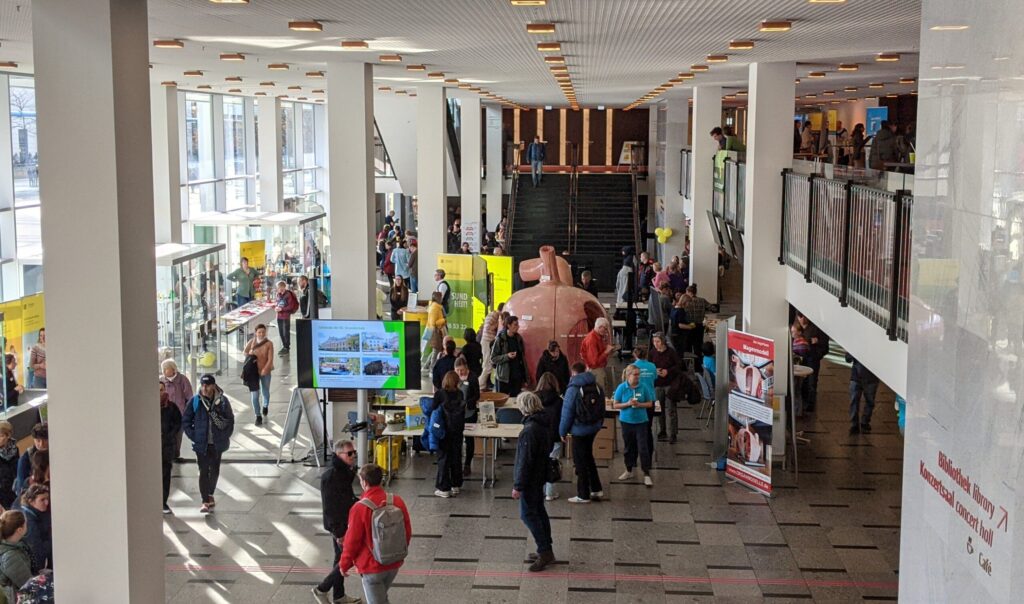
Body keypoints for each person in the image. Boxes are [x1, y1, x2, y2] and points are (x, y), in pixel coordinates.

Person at [340, 464, 412, 604]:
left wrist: (344, 564)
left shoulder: (359, 508)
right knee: (382, 598)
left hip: (371, 567)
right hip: (394, 564)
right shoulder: (397, 501)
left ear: (364, 482)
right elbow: (407, 531)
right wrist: (397, 552)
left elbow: (352, 541)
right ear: (380, 480)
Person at [512, 391, 555, 572]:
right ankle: (546, 548)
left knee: (528, 514)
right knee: (539, 511)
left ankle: (544, 550)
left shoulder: (529, 430)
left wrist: (518, 486)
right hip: (540, 475)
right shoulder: (543, 424)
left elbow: (525, 461)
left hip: (530, 479)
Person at [312, 441, 361, 604]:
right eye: (349, 453)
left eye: (354, 452)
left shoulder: (345, 472)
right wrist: (339, 533)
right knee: (347, 559)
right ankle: (322, 589)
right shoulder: (332, 477)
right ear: (339, 455)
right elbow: (330, 508)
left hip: (345, 522)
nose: (353, 456)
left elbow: (346, 498)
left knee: (340, 559)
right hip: (339, 526)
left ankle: (338, 596)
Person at [183, 374, 235, 514]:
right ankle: (205, 500)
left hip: (217, 443)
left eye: (207, 385)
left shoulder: (222, 401)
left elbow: (230, 420)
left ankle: (210, 493)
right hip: (202, 443)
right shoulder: (196, 401)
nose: (204, 388)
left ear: (213, 386)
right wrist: (194, 436)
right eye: (203, 385)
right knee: (203, 471)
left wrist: (225, 435)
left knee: (215, 470)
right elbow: (186, 420)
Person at [559, 362, 604, 503]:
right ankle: (596, 489)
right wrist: (598, 424)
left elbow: (567, 413)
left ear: (573, 373)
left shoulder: (573, 389)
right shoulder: (597, 386)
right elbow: (602, 408)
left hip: (579, 429)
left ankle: (583, 494)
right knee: (588, 457)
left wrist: (562, 431)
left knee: (580, 461)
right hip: (593, 427)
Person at [613, 365, 655, 486]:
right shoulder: (622, 387)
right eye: (635, 374)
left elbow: (649, 403)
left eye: (638, 374)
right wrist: (627, 404)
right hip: (626, 422)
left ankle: (646, 473)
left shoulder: (644, 387)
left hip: (641, 422)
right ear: (628, 375)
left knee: (643, 447)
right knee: (628, 447)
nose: (637, 377)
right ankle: (629, 470)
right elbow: (615, 405)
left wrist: (639, 405)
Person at [430, 371, 466, 497]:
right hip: (457, 431)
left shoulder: (439, 394)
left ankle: (444, 488)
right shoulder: (460, 394)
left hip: (443, 431)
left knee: (444, 459)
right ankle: (456, 485)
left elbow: (433, 409)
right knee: (456, 457)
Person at [534, 373, 564, 502]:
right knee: (552, 463)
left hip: (538, 435)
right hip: (554, 435)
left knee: (539, 463)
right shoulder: (559, 401)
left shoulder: (534, 398)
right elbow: (563, 419)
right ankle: (550, 493)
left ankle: (538, 490)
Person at [650, 333, 682, 443]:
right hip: (658, 384)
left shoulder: (671, 352)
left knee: (671, 409)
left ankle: (673, 433)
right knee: (660, 409)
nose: (656, 344)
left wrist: (668, 371)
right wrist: (655, 370)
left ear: (663, 341)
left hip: (670, 384)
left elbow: (679, 365)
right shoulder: (653, 352)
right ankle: (662, 431)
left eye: (658, 341)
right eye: (654, 342)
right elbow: (649, 365)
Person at [160, 358, 194, 462]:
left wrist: (188, 412)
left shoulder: (182, 379)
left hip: (180, 412)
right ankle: (165, 454)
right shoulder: (161, 380)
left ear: (173, 369)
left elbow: (189, 396)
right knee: (166, 434)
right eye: (163, 369)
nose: (164, 371)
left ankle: (175, 455)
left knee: (178, 434)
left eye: (166, 369)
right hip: (165, 413)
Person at [795, 313, 827, 412]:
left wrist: (816, 354)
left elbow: (825, 346)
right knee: (802, 383)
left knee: (811, 383)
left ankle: (810, 406)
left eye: (804, 317)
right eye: (800, 317)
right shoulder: (796, 327)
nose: (802, 319)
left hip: (812, 359)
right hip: (801, 359)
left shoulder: (816, 329)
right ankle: (803, 404)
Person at [243, 324, 274, 423]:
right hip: (253, 372)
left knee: (265, 391)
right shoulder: (251, 342)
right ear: (256, 333)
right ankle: (258, 415)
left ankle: (265, 405)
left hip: (265, 372)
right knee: (255, 395)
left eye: (263, 332)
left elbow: (270, 359)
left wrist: (265, 369)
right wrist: (250, 354)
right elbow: (245, 352)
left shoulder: (269, 344)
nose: (261, 334)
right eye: (259, 332)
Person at [0, 510, 34, 603]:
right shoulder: (11, 557)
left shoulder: (17, 545)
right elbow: (28, 584)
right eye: (26, 523)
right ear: (19, 530)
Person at [454, 357, 480, 475]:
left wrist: (467, 403)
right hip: (456, 414)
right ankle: (457, 463)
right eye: (457, 370)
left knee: (469, 439)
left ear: (466, 368)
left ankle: (467, 464)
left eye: (462, 370)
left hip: (469, 413)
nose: (460, 373)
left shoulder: (473, 378)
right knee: (457, 439)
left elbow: (477, 395)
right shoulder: (454, 377)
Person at [160, 381, 182, 514]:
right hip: (152, 447)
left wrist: (169, 435)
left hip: (166, 447)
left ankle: (163, 502)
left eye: (161, 389)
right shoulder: (148, 407)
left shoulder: (171, 407)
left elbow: (178, 422)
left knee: (165, 475)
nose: (160, 392)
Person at [491, 316, 528, 396]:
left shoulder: (519, 339)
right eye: (515, 324)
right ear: (509, 325)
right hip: (504, 378)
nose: (518, 327)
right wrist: (507, 356)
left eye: (518, 324)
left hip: (517, 377)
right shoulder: (500, 339)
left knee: (515, 400)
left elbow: (522, 358)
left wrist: (525, 377)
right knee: (502, 399)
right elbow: (493, 358)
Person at [846, 354, 880, 435]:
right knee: (855, 401)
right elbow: (848, 358)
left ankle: (864, 422)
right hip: (858, 377)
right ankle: (856, 424)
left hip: (870, 378)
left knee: (869, 401)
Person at [580, 318, 616, 394]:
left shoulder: (597, 337)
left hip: (598, 369)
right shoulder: (592, 340)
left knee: (602, 391)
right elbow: (594, 362)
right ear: (600, 327)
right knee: (600, 393)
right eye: (605, 329)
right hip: (595, 370)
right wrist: (606, 352)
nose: (606, 331)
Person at [19, 485, 50, 571]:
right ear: (31, 501)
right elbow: (37, 549)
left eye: (47, 499)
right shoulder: (29, 521)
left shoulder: (36, 514)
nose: (47, 503)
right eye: (42, 500)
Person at [14, 424, 46, 499]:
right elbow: (21, 487)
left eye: (45, 440)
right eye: (38, 440)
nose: (41, 444)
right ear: (34, 440)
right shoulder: (26, 458)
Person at [478, 303, 505, 389]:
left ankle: (484, 384)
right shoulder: (494, 316)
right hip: (487, 341)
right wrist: (499, 324)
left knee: (486, 364)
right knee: (488, 366)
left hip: (486, 341)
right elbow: (489, 328)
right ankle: (480, 384)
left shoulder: (492, 314)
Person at [681, 284, 709, 357]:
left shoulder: (686, 302)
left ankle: (689, 361)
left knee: (688, 346)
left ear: (689, 292)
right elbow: (713, 308)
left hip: (688, 326)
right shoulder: (702, 300)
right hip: (699, 326)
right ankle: (698, 362)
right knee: (698, 346)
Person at [274, 280, 299, 355]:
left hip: (286, 316)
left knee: (285, 332)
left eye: (280, 287)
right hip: (279, 316)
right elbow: (277, 303)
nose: (279, 289)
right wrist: (276, 308)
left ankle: (287, 347)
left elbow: (290, 306)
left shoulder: (288, 295)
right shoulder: (278, 294)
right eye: (278, 287)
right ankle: (284, 346)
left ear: (284, 287)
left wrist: (282, 309)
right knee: (281, 332)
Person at [423, 292, 447, 371]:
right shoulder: (435, 308)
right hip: (435, 332)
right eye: (441, 297)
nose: (442, 298)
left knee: (436, 349)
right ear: (437, 298)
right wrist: (443, 320)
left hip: (435, 331)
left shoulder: (436, 306)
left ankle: (426, 366)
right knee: (436, 350)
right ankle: (432, 368)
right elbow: (434, 323)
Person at [0, 423, 18, 509]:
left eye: (1, 436)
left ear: (8, 436)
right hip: (2, 490)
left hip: (15, 485)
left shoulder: (15, 449)